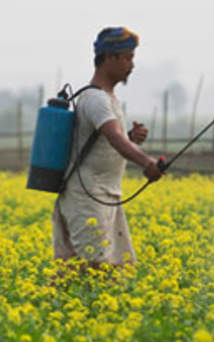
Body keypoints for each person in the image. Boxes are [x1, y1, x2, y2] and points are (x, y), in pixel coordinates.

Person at [52, 26, 163, 275]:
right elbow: (114, 138)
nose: (131, 65)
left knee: (101, 271)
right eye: (127, 58)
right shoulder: (97, 99)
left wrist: (131, 138)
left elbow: (111, 138)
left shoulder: (108, 98)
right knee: (92, 270)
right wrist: (147, 163)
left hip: (104, 196)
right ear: (110, 58)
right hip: (87, 197)